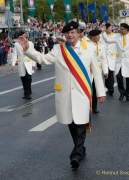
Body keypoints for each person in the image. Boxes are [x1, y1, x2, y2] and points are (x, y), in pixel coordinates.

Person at [18, 21, 106, 170]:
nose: (70, 35)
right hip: (64, 94)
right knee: (71, 123)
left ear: (79, 34)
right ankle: (80, 148)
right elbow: (43, 59)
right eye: (67, 33)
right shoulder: (59, 49)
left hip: (82, 93)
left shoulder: (89, 49)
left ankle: (76, 154)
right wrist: (27, 49)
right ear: (64, 35)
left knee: (81, 122)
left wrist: (101, 92)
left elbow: (96, 71)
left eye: (73, 33)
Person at [11, 30, 36, 100]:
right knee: (23, 78)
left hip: (28, 63)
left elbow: (33, 54)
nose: (22, 37)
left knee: (29, 78)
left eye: (24, 36)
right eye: (21, 36)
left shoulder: (30, 43)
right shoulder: (16, 44)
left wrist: (34, 64)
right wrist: (13, 64)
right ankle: (26, 93)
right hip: (21, 64)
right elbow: (14, 54)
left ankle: (28, 91)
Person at [89, 29, 108, 114]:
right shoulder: (88, 45)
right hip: (89, 71)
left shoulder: (101, 45)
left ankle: (94, 107)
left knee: (96, 89)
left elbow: (103, 59)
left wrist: (105, 71)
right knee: (88, 90)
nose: (99, 37)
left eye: (99, 35)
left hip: (98, 71)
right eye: (97, 36)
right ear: (92, 37)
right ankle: (86, 106)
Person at [101, 23, 118, 96]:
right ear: (106, 28)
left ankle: (111, 89)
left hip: (112, 57)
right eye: (110, 27)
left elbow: (109, 40)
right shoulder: (102, 35)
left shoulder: (115, 35)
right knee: (106, 73)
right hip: (104, 57)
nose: (111, 29)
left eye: (112, 27)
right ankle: (108, 87)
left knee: (111, 73)